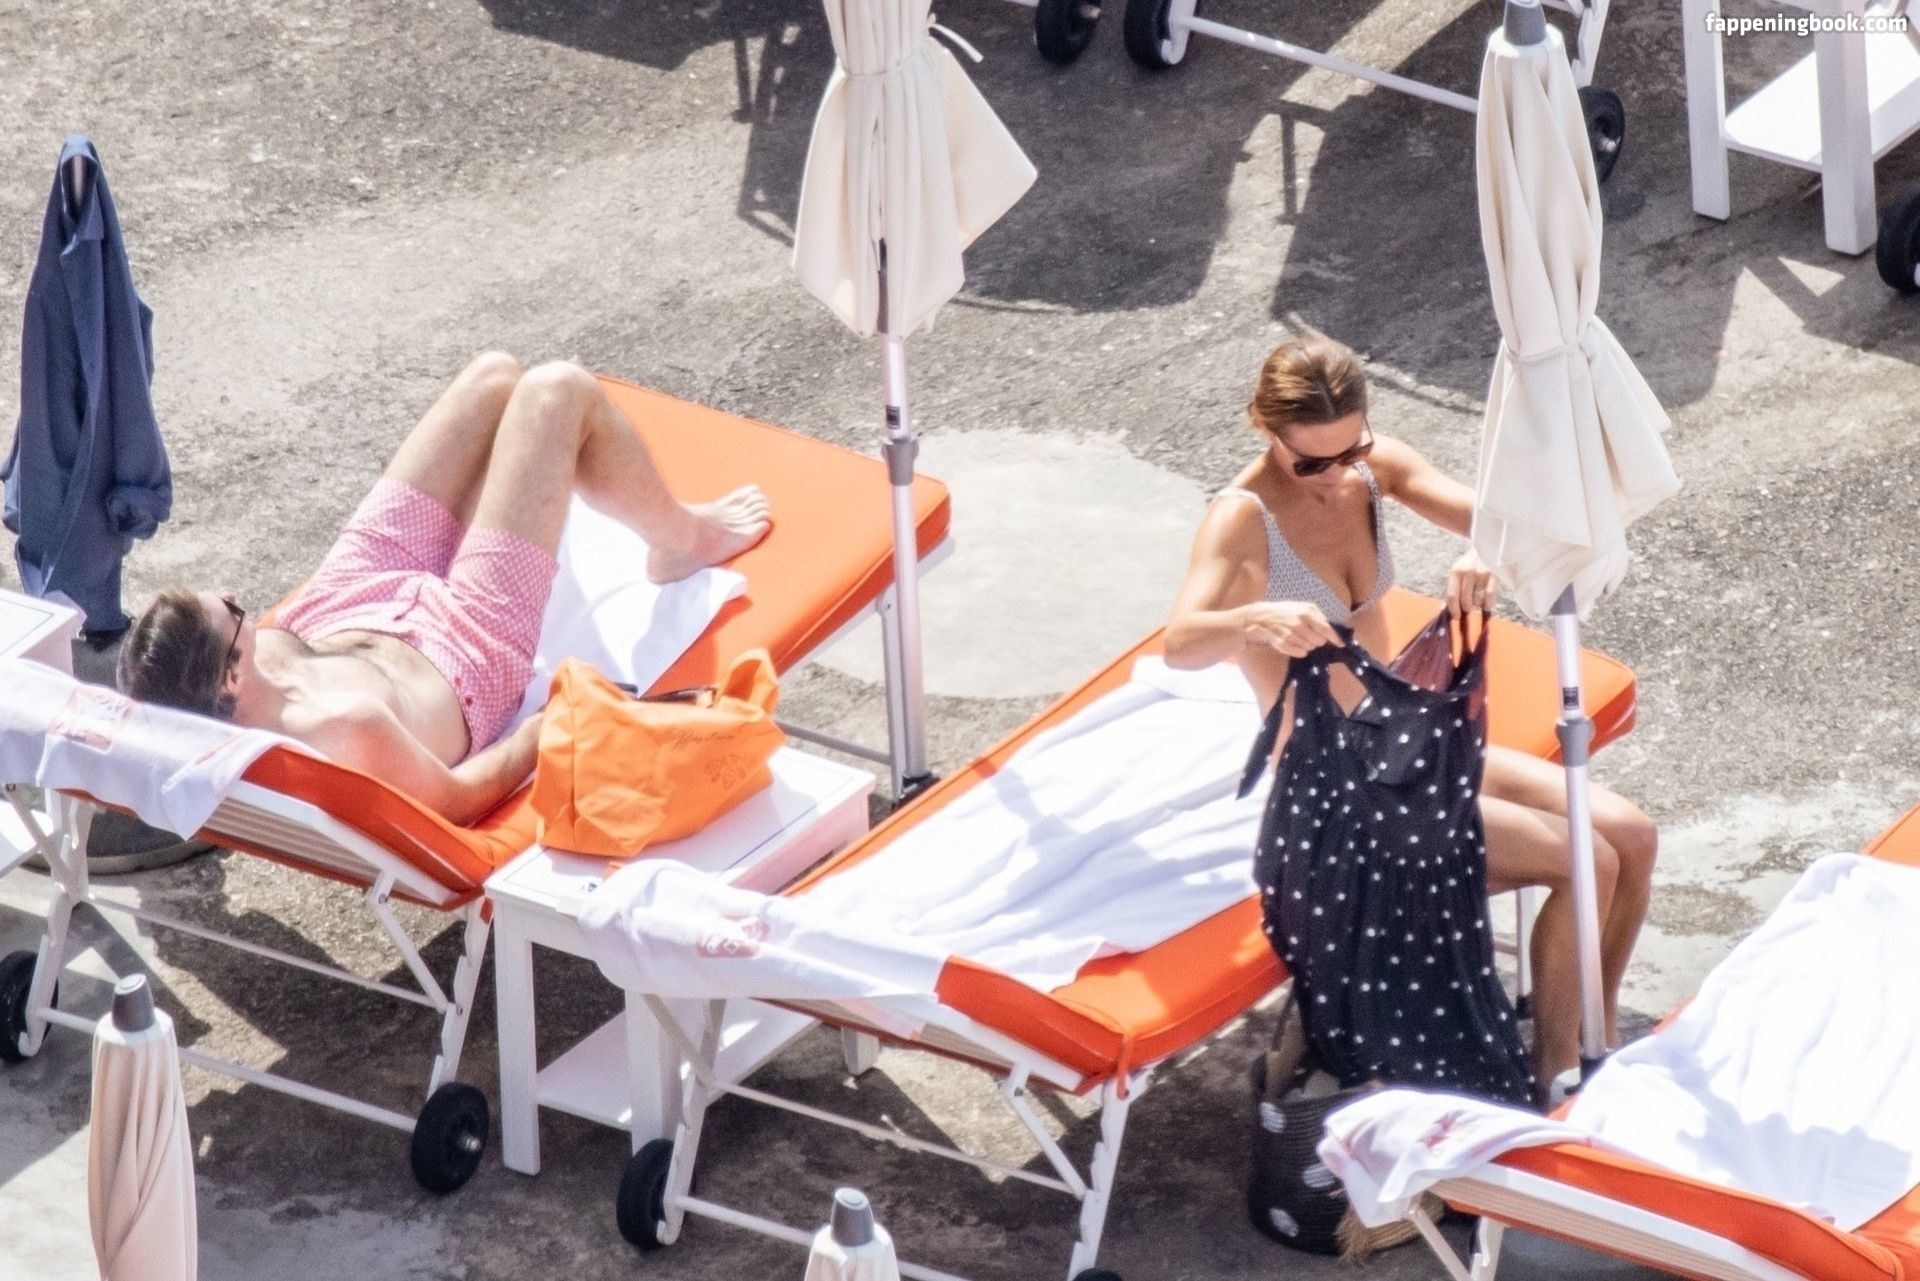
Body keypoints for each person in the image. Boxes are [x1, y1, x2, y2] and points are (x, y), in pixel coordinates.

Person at [1164, 334, 1657, 1090]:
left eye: (1348, 451)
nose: (1335, 476)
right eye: (1310, 464)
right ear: (1265, 428)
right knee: (1587, 859)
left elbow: (1507, 520)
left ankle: (1600, 1026)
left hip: (1408, 746)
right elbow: (1181, 643)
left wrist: (1485, 551)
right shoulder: (1242, 518)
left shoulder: (1375, 468)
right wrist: (1254, 619)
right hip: (1337, 795)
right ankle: (1558, 1070)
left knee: (1631, 835)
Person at [117, 353, 771, 825]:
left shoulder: (232, 687)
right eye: (233, 611)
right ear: (231, 677)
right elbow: (457, 801)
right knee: (557, 391)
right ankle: (684, 538)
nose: (235, 593)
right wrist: (541, 728)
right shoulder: (344, 728)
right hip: (467, 644)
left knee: (494, 377)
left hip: (348, 597)